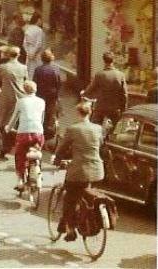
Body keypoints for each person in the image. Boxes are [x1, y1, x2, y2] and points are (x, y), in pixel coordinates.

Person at [54, 101, 105, 241]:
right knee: (84, 193)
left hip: (79, 170)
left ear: (78, 113)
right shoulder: (98, 128)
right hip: (97, 170)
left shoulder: (73, 129)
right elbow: (99, 145)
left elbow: (62, 148)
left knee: (69, 199)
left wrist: (57, 160)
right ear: (90, 113)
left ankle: (70, 230)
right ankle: (84, 216)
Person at [6, 80, 45, 191]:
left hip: (24, 134)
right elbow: (41, 119)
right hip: (38, 133)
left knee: (20, 156)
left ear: (24, 90)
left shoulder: (21, 102)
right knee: (37, 151)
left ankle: (20, 181)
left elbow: (14, 118)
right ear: (36, 89)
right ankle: (38, 171)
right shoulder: (42, 102)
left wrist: (8, 128)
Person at [0, 46, 28, 159]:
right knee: (16, 122)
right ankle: (13, 143)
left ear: (8, 55)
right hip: (20, 98)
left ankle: (5, 148)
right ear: (18, 55)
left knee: (3, 123)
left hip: (6, 99)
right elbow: (26, 82)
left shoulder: (3, 67)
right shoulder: (23, 68)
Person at [82, 51, 128, 127]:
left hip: (101, 107)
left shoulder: (99, 74)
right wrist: (123, 109)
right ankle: (112, 137)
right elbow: (124, 94)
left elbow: (91, 89)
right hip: (115, 107)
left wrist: (84, 94)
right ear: (113, 60)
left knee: (95, 126)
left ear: (104, 61)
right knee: (117, 128)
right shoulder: (120, 75)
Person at [33, 49, 62, 139]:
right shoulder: (56, 69)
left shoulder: (38, 69)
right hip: (51, 95)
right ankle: (48, 132)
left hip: (40, 94)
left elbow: (34, 82)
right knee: (50, 113)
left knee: (41, 112)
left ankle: (40, 130)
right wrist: (57, 94)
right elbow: (58, 83)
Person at [23, 13, 45, 80]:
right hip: (37, 54)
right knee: (36, 70)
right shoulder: (39, 30)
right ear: (38, 20)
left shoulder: (28, 29)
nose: (41, 22)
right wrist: (34, 53)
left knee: (29, 70)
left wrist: (28, 52)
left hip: (29, 51)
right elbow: (39, 44)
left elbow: (24, 43)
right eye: (41, 20)